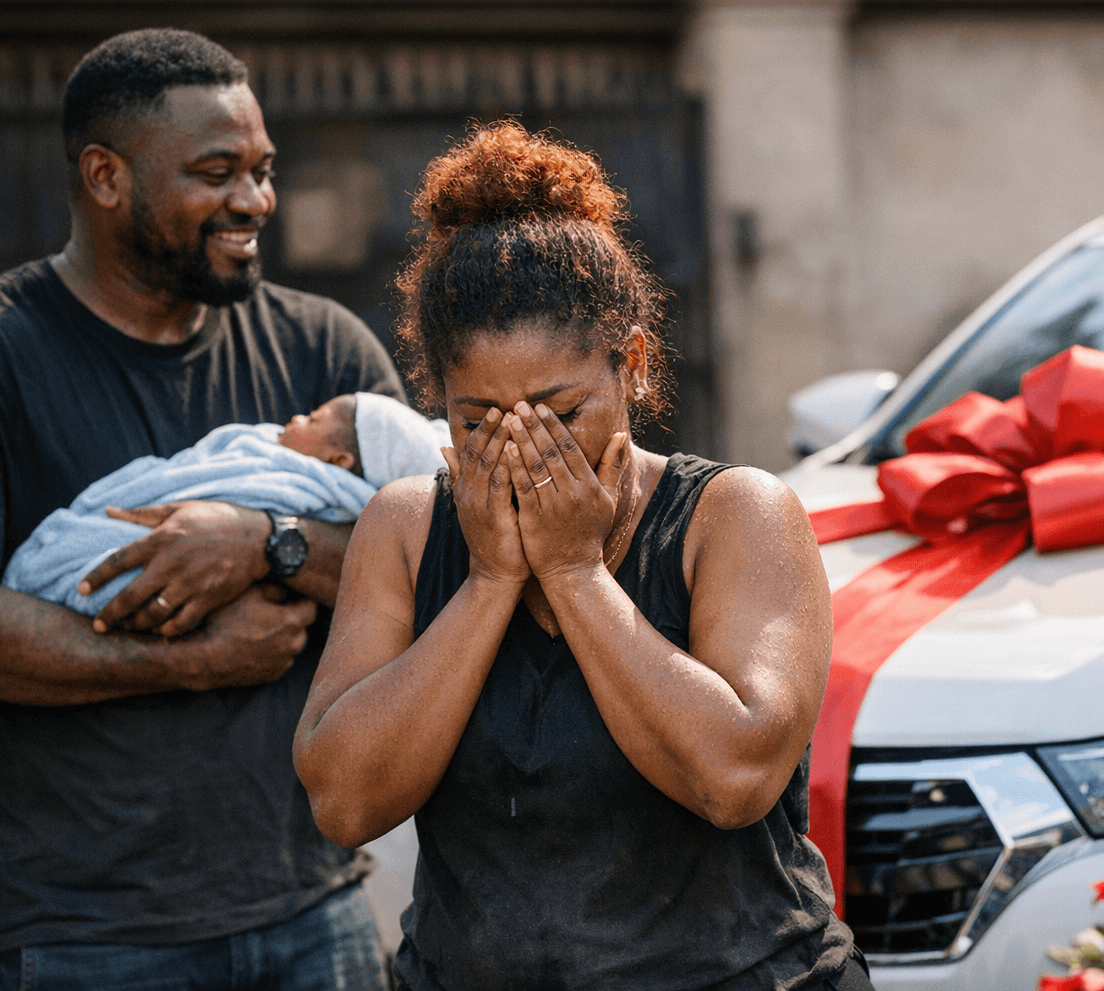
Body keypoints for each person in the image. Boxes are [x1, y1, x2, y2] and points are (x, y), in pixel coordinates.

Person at [292, 120, 868, 990]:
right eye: (479, 422)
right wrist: (490, 580)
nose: (523, 452)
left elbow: (735, 777)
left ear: (631, 365)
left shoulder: (735, 516)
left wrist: (574, 572)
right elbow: (343, 802)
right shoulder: (405, 527)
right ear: (437, 397)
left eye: (561, 416)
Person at [0, 29, 403, 988]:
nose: (254, 201)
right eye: (217, 173)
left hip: (318, 912)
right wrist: (188, 661)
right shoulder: (12, 354)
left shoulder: (326, 355)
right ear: (105, 177)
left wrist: (268, 541)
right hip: (85, 938)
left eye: (263, 171)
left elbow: (434, 568)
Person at [5, 392, 451, 616]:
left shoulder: (309, 482)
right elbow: (190, 472)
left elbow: (415, 567)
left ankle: (61, 568)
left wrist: (262, 535)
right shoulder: (265, 447)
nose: (296, 417)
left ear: (339, 461)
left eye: (312, 419)